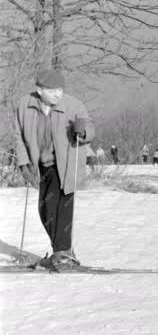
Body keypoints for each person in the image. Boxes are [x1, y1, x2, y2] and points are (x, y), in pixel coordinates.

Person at [13, 69, 94, 269]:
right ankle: (64, 252)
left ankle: (63, 252)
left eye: (60, 89)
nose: (58, 94)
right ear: (39, 90)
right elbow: (18, 137)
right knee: (45, 209)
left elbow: (90, 129)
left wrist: (83, 130)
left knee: (62, 208)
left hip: (66, 164)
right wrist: (24, 164)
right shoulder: (25, 105)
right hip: (41, 165)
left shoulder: (73, 105)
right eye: (52, 90)